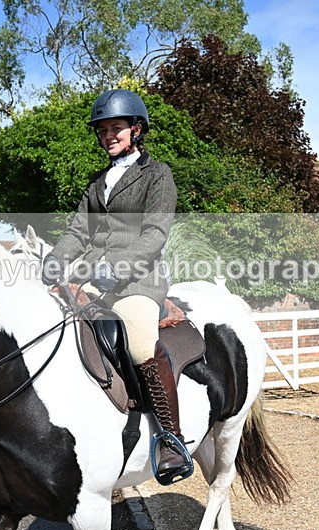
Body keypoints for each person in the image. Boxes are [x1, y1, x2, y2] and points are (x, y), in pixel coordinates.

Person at [41, 89, 189, 481]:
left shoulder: (157, 175)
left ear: (136, 130)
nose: (109, 136)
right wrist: (56, 259)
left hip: (138, 278)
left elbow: (156, 233)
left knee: (139, 341)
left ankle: (170, 440)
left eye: (117, 128)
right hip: (93, 277)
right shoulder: (97, 181)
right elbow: (78, 231)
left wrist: (118, 267)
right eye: (103, 130)